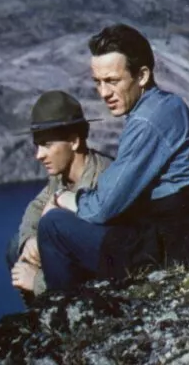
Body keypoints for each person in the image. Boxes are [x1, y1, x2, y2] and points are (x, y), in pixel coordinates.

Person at [34, 24, 189, 293]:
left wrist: (62, 199)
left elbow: (103, 207)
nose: (104, 93)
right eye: (98, 82)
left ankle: (61, 312)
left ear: (141, 76)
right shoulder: (168, 104)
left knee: (53, 225)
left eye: (112, 81)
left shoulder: (147, 121)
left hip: (172, 246)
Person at [9, 91, 112, 298]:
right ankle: (46, 315)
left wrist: (37, 282)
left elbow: (100, 260)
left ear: (74, 142)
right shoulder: (60, 177)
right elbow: (36, 207)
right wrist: (29, 240)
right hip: (75, 267)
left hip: (102, 273)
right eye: (37, 146)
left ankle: (59, 309)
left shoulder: (106, 178)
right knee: (15, 247)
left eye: (47, 145)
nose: (38, 155)